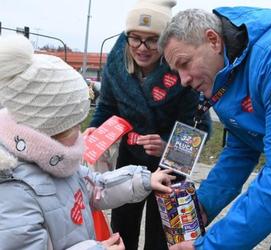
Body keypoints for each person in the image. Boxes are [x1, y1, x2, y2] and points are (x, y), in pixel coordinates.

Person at [0, 35, 176, 250]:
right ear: (49, 127)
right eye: (74, 125)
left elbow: (96, 186)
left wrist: (144, 180)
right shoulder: (14, 190)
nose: (81, 132)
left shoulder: (57, 161)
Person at [158, 6, 271, 250]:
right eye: (176, 71)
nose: (183, 80)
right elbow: (241, 150)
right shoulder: (225, 77)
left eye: (184, 63)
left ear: (213, 40)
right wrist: (201, 208)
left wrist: (211, 246)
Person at [88, 0, 212, 249]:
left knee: (161, 235)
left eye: (152, 40)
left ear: (166, 40)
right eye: (135, 38)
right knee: (123, 227)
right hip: (129, 159)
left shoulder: (182, 68)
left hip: (170, 167)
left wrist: (166, 145)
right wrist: (96, 129)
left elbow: (198, 127)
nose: (141, 48)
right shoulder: (116, 64)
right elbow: (107, 107)